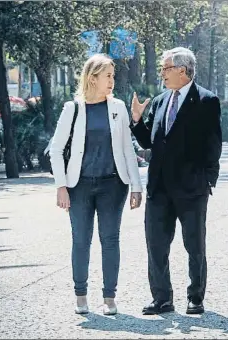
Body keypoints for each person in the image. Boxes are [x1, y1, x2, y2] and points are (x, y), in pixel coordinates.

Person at [130, 47, 222, 315]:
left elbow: (213, 144)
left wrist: (208, 180)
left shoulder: (207, 101)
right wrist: (136, 120)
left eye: (166, 68)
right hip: (159, 188)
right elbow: (149, 142)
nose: (162, 73)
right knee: (155, 244)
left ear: (182, 70)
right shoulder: (160, 101)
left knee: (194, 245)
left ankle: (195, 297)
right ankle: (162, 298)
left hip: (192, 188)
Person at [50, 54, 143, 315]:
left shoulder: (118, 107)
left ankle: (109, 298)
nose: (112, 81)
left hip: (113, 185)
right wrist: (61, 186)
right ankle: (80, 295)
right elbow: (56, 149)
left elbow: (127, 149)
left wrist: (137, 186)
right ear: (93, 78)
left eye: (113, 76)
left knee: (110, 240)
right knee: (80, 240)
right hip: (78, 186)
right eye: (108, 76)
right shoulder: (73, 108)